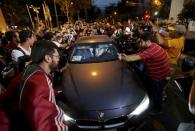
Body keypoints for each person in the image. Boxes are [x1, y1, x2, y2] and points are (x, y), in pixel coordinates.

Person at [0, 40, 68, 131]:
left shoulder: (32, 70)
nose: (59, 59)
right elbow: (43, 124)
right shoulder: (39, 81)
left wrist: (54, 92)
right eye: (57, 56)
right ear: (47, 58)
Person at [118, 32, 170, 113]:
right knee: (151, 90)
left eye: (141, 41)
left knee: (157, 95)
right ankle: (150, 101)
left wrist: (123, 57)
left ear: (148, 41)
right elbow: (137, 54)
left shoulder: (151, 50)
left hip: (158, 77)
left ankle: (158, 110)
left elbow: (133, 58)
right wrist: (126, 56)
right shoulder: (153, 46)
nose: (140, 43)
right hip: (158, 75)